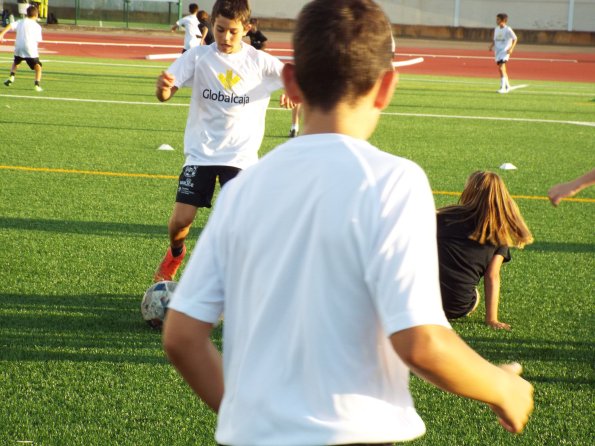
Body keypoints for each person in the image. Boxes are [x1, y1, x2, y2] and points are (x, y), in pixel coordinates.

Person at [162, 1, 534, 444]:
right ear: (387, 88)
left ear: (292, 85)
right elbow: (419, 342)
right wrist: (503, 387)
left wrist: (249, 413)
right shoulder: (396, 181)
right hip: (354, 433)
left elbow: (182, 336)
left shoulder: (244, 189)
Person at [153, 0, 292, 283]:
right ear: (211, 24)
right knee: (180, 223)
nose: (225, 38)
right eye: (219, 30)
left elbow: (298, 78)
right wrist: (163, 89)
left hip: (240, 157)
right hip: (201, 153)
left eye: (233, 32)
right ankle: (175, 254)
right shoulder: (196, 57)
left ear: (246, 29)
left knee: (240, 227)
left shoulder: (259, 61)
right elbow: (166, 93)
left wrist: (292, 90)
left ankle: (234, 283)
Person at [437, 171, 534, 330]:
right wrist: (492, 319)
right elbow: (492, 276)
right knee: (475, 294)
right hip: (457, 307)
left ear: (469, 191)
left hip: (420, 303)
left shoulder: (444, 216)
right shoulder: (499, 234)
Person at [0, 5, 43, 92]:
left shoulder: (20, 21)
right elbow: (38, 40)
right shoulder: (37, 26)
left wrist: (1, 34)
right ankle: (37, 85)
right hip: (29, 48)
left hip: (19, 47)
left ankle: (11, 77)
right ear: (36, 15)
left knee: (16, 61)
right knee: (38, 67)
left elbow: (10, 26)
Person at [488, 13, 517, 94]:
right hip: (498, 52)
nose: (496, 21)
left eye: (498, 19)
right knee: (502, 69)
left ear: (503, 20)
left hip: (505, 51)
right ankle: (508, 86)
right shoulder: (496, 29)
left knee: (501, 68)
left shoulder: (508, 29)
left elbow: (515, 38)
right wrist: (491, 46)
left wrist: (511, 49)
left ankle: (503, 87)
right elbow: (495, 39)